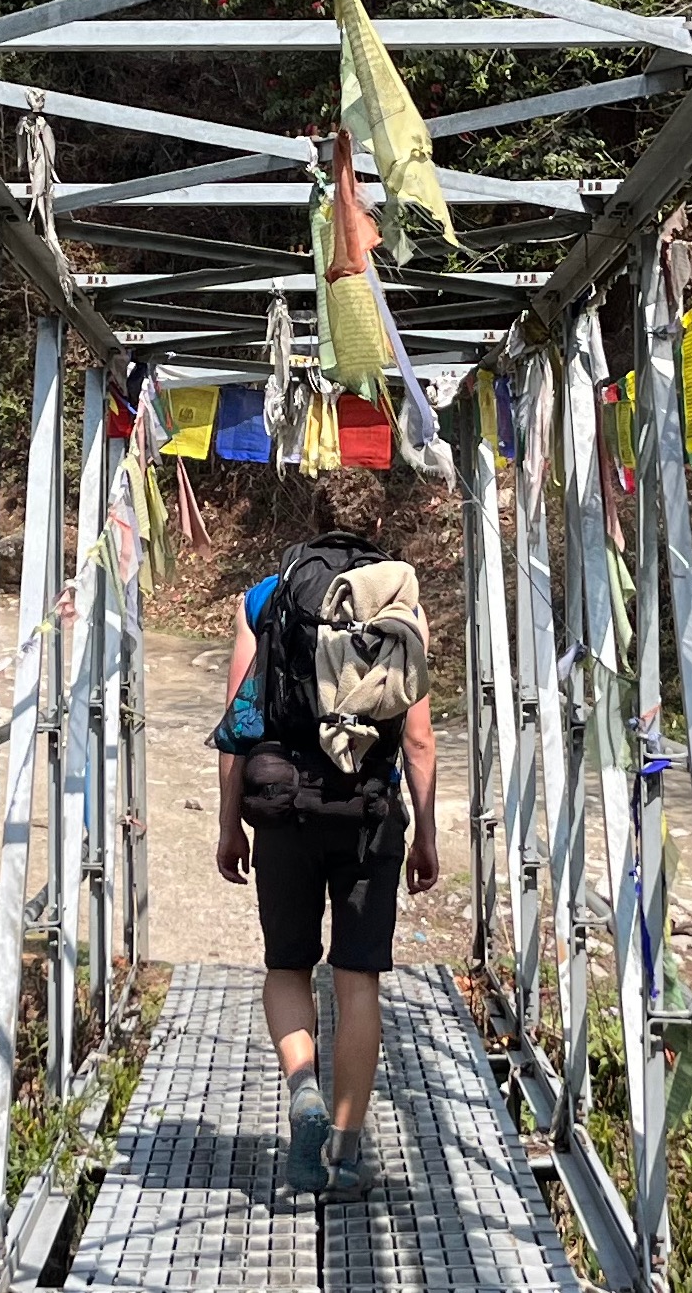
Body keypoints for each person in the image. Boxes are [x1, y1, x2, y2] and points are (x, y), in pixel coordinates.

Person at [214, 467, 438, 1198]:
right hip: (369, 812)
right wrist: (426, 833)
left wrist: (229, 825)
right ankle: (345, 1150)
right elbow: (418, 738)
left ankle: (302, 1087)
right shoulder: (402, 602)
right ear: (380, 527)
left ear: (311, 518)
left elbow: (240, 724)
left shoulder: (266, 596)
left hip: (283, 807)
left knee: (287, 965)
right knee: (357, 976)